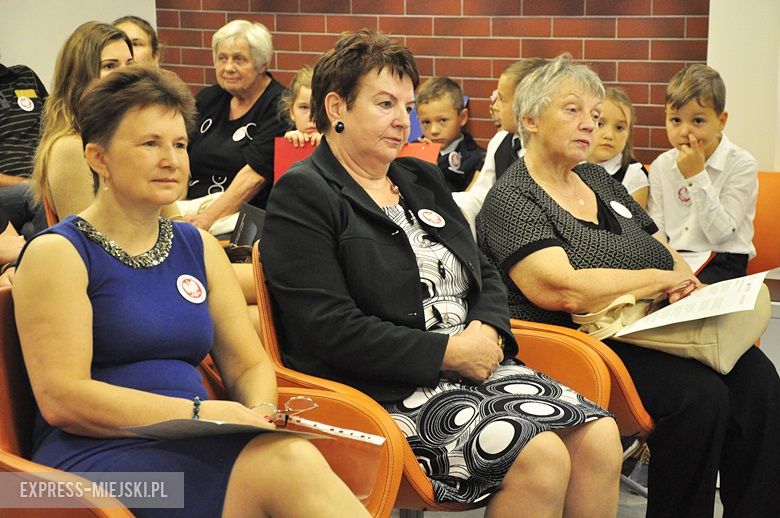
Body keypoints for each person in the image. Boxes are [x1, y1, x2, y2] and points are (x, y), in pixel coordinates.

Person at [261, 30, 621, 517]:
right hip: (381, 387)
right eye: (385, 104)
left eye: (406, 106)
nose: (402, 121)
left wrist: (487, 330)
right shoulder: (304, 193)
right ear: (336, 107)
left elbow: (484, 269)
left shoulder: (419, 178)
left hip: (474, 365)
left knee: (600, 436)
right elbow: (327, 329)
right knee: (539, 454)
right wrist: (448, 351)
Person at [14, 64, 368, 518]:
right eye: (150, 144)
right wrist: (202, 416)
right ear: (97, 157)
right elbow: (63, 399)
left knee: (290, 456)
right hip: (85, 472)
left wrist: (257, 413)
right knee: (287, 465)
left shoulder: (196, 246)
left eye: (180, 144)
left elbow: (247, 363)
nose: (172, 160)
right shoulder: (59, 253)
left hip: (191, 443)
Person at [477, 54, 780, 518]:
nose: (590, 126)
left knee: (758, 380)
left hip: (649, 327)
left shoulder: (599, 180)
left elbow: (663, 248)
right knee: (700, 398)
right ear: (531, 118)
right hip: (578, 345)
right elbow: (562, 289)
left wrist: (686, 286)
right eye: (573, 110)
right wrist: (660, 279)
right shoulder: (513, 196)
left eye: (595, 116)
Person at [648, 64, 758, 284]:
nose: (685, 131)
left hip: (724, 259)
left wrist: (696, 175)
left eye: (697, 121)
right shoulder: (661, 165)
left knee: (689, 298)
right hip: (676, 258)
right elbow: (656, 227)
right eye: (675, 120)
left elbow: (721, 234)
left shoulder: (741, 164)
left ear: (721, 121)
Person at [30, 21, 138, 221]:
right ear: (80, 77)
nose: (126, 74)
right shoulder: (68, 148)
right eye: (109, 66)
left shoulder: (134, 135)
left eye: (129, 64)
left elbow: (174, 219)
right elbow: (89, 241)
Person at [187, 19, 287, 229]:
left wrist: (206, 220)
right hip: (193, 206)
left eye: (239, 59)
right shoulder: (208, 99)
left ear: (262, 64)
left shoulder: (279, 106)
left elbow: (254, 177)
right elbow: (180, 155)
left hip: (239, 217)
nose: (228, 67)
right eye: (222, 58)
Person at [453, 58, 548, 236]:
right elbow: (483, 194)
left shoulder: (550, 151)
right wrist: (450, 203)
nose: (495, 106)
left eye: (502, 99)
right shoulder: (499, 142)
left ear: (527, 104)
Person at [0, 59, 48, 238]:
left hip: (43, 183)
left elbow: (58, 125)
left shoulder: (25, 76)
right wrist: (30, 184)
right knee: (37, 196)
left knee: (30, 230)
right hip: (14, 193)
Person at [415, 76, 485, 192]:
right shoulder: (412, 154)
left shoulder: (478, 159)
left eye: (442, 120)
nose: (434, 130)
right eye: (426, 122)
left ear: (462, 117)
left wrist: (434, 169)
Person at [588, 87, 649, 208]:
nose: (609, 135)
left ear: (629, 133)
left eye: (619, 127)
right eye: (600, 124)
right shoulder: (570, 165)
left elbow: (632, 226)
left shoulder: (634, 174)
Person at [279, 65, 322, 147]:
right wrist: (289, 143)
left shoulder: (344, 146)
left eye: (319, 108)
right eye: (304, 107)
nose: (312, 117)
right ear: (291, 112)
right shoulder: (290, 139)